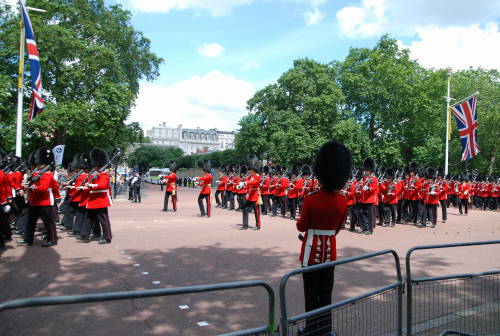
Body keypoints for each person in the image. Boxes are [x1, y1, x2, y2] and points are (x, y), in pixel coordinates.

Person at [296, 140, 351, 336]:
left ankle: (311, 330)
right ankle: (325, 329)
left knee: (311, 296)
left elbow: (301, 225)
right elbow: (336, 229)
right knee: (326, 294)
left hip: (310, 252)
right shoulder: (342, 202)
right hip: (330, 253)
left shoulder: (311, 199)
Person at [17, 148, 60, 247]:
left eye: (40, 163)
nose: (38, 165)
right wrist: (27, 185)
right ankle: (28, 239)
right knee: (30, 221)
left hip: (44, 201)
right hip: (34, 201)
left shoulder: (47, 174)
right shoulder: (37, 173)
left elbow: (43, 188)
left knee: (48, 222)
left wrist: (31, 187)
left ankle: (52, 239)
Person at [79, 148, 113, 244]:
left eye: (96, 166)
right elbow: (90, 187)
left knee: (103, 220)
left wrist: (92, 185)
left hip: (101, 200)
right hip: (93, 200)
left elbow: (102, 186)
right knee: (88, 218)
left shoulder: (104, 174)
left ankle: (107, 237)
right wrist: (84, 187)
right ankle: (85, 235)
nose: (94, 168)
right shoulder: (95, 174)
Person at [355, 158, 379, 235]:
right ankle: (364, 227)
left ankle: (370, 229)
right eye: (365, 170)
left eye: (367, 170)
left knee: (370, 215)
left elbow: (375, 187)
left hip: (369, 199)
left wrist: (369, 188)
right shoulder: (363, 178)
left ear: (370, 170)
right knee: (361, 212)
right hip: (362, 199)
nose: (366, 171)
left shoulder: (374, 178)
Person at [240, 154, 262, 229]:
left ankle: (258, 225)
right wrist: (241, 185)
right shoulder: (250, 176)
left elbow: (254, 182)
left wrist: (246, 182)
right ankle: (245, 225)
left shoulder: (257, 176)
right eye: (250, 169)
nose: (250, 170)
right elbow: (246, 184)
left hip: (255, 195)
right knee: (245, 209)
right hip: (249, 195)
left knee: (256, 211)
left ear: (254, 169)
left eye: (251, 169)